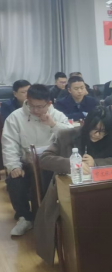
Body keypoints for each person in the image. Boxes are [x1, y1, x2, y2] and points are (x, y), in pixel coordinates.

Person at [36, 108, 112, 263]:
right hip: (66, 194)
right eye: (95, 129)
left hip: (100, 192)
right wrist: (72, 164)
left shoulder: (109, 138)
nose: (98, 135)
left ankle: (108, 256)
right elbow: (44, 159)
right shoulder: (67, 135)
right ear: (87, 125)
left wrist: (96, 163)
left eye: (103, 131)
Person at [2, 84, 71, 236]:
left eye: (40, 107)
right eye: (32, 106)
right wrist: (13, 166)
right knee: (14, 180)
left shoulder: (57, 115)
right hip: (26, 163)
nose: (36, 110)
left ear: (49, 103)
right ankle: (25, 218)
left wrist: (53, 125)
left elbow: (70, 137)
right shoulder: (15, 117)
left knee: (50, 176)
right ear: (27, 100)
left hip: (51, 164)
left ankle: (49, 216)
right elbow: (9, 144)